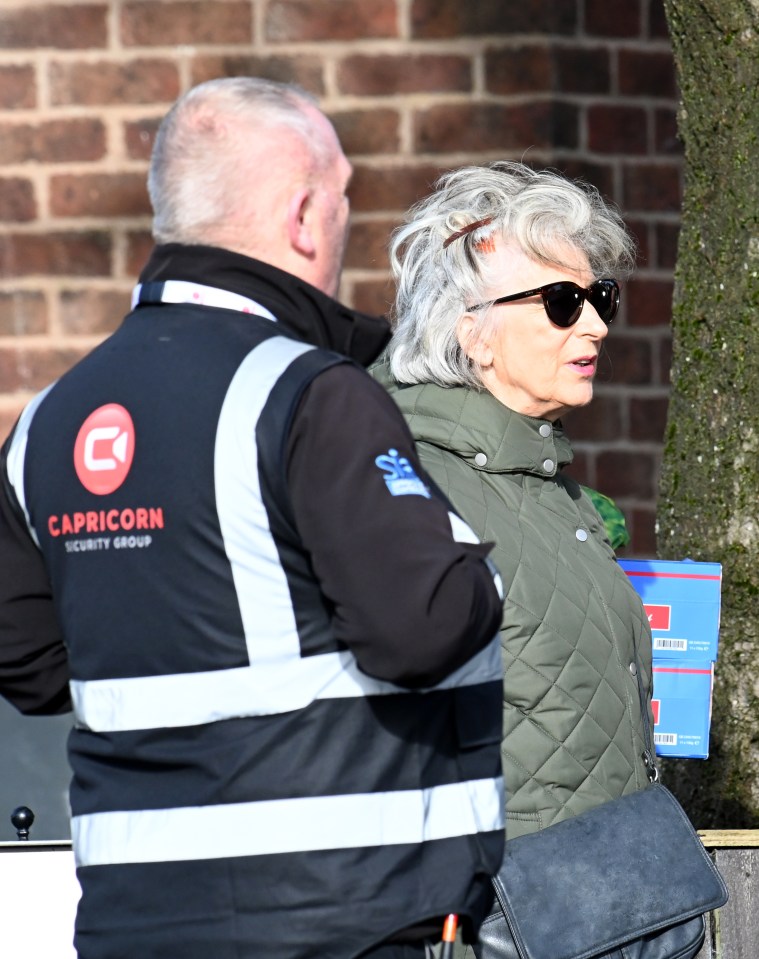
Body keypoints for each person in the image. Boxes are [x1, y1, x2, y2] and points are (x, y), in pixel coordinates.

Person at [0, 78, 507, 959]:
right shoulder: (312, 396)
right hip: (343, 919)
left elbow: (33, 666)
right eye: (344, 196)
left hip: (132, 924)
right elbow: (421, 628)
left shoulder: (46, 422)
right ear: (306, 215)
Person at [371, 161, 656, 949]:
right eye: (562, 303)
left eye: (599, 298)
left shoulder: (551, 490)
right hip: (502, 927)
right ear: (471, 330)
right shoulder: (407, 487)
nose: (596, 325)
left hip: (615, 913)